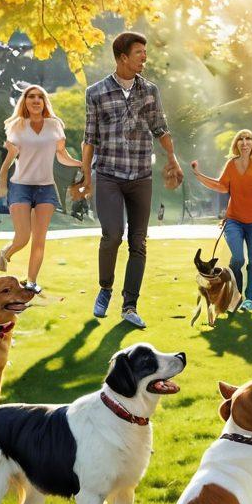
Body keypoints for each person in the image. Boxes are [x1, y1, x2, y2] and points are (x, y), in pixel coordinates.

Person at [82, 31, 183, 329]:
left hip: (141, 174)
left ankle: (130, 305)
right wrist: (86, 175)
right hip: (109, 174)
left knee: (138, 241)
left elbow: (160, 128)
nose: (144, 57)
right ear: (122, 57)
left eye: (144, 52)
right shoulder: (96, 92)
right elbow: (90, 137)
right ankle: (105, 289)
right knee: (112, 234)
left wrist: (172, 159)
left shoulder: (150, 91)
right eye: (139, 52)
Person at [0, 85, 81, 288]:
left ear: (44, 102)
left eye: (40, 97)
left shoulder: (54, 125)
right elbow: (10, 158)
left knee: (39, 239)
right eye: (31, 97)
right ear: (25, 101)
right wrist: (2, 182)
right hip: (21, 186)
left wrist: (81, 164)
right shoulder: (18, 126)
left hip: (46, 188)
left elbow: (61, 155)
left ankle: (32, 281)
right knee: (23, 237)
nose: (36, 100)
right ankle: (6, 252)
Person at [191, 129, 252, 313]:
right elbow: (221, 186)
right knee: (237, 258)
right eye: (241, 139)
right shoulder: (231, 165)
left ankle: (250, 300)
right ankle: (235, 294)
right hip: (234, 221)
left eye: (248, 139)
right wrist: (199, 175)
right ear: (236, 144)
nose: (244, 142)